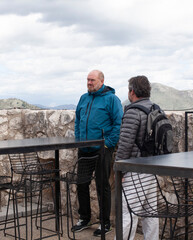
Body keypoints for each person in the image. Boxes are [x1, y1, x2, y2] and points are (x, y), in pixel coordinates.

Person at [73, 69, 123, 236]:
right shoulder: (83, 98)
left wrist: (107, 144)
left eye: (92, 80)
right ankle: (85, 218)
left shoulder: (112, 99)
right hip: (84, 150)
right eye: (87, 80)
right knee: (81, 184)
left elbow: (118, 124)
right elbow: (78, 120)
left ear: (101, 81)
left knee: (102, 187)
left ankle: (105, 223)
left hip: (102, 150)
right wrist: (79, 139)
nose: (89, 83)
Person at [115, 75, 159, 239]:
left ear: (132, 91)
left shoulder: (133, 111)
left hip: (135, 169)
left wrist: (118, 170)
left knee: (127, 213)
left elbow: (125, 144)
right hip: (153, 167)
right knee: (150, 213)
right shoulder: (155, 108)